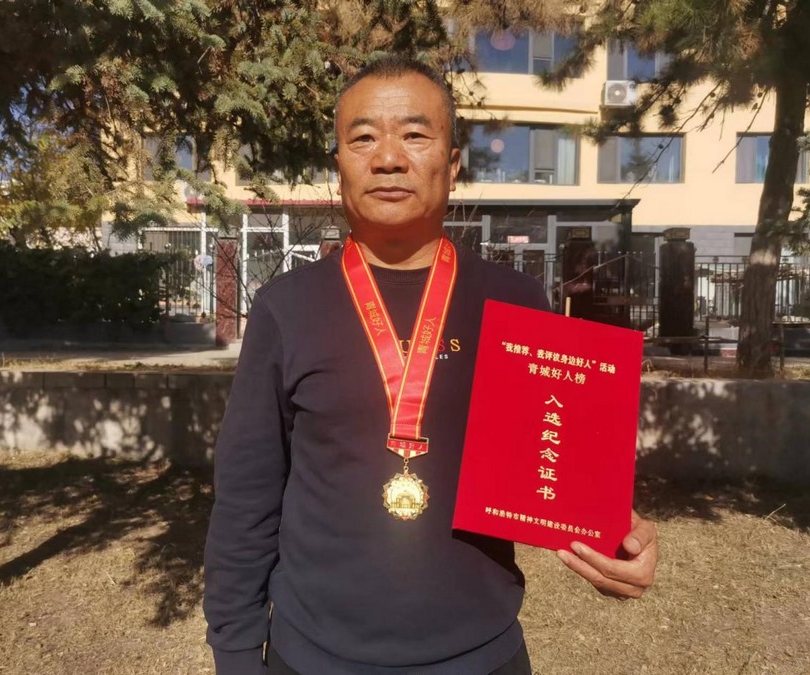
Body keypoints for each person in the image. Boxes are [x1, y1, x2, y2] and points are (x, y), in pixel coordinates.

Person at [203, 55, 658, 675]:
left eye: (415, 135)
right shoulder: (287, 307)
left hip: (482, 652)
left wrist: (616, 540)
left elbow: (562, 470)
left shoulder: (517, 302)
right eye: (363, 138)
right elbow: (245, 497)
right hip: (313, 655)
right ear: (339, 164)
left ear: (453, 163)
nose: (388, 158)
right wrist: (234, 651)